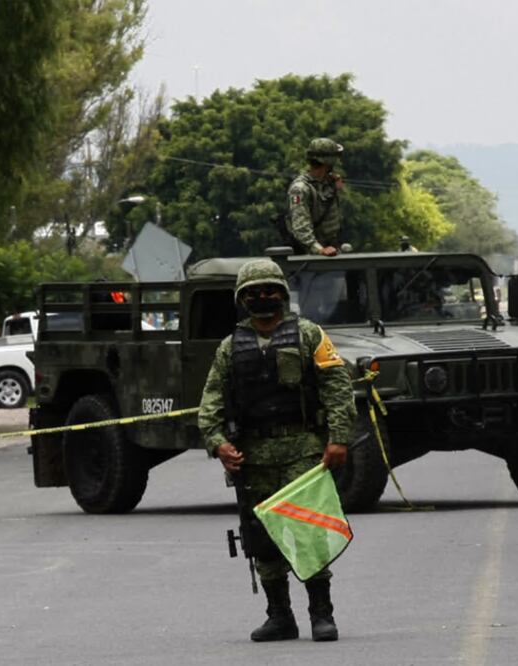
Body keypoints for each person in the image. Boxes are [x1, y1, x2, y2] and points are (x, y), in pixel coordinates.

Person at [198, 259, 357, 642]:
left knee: (308, 531)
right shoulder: (229, 348)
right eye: (252, 293)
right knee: (261, 537)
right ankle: (279, 616)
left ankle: (322, 614)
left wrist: (339, 438)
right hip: (252, 457)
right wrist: (219, 445)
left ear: (283, 295)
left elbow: (337, 388)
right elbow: (211, 404)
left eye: (269, 290)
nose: (262, 298)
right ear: (242, 299)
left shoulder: (309, 335)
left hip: (304, 451)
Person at [287, 138, 345, 256]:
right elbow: (301, 228)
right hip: (308, 258)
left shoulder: (327, 183)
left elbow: (335, 216)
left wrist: (336, 188)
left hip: (331, 250)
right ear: (328, 162)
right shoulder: (301, 188)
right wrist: (320, 250)